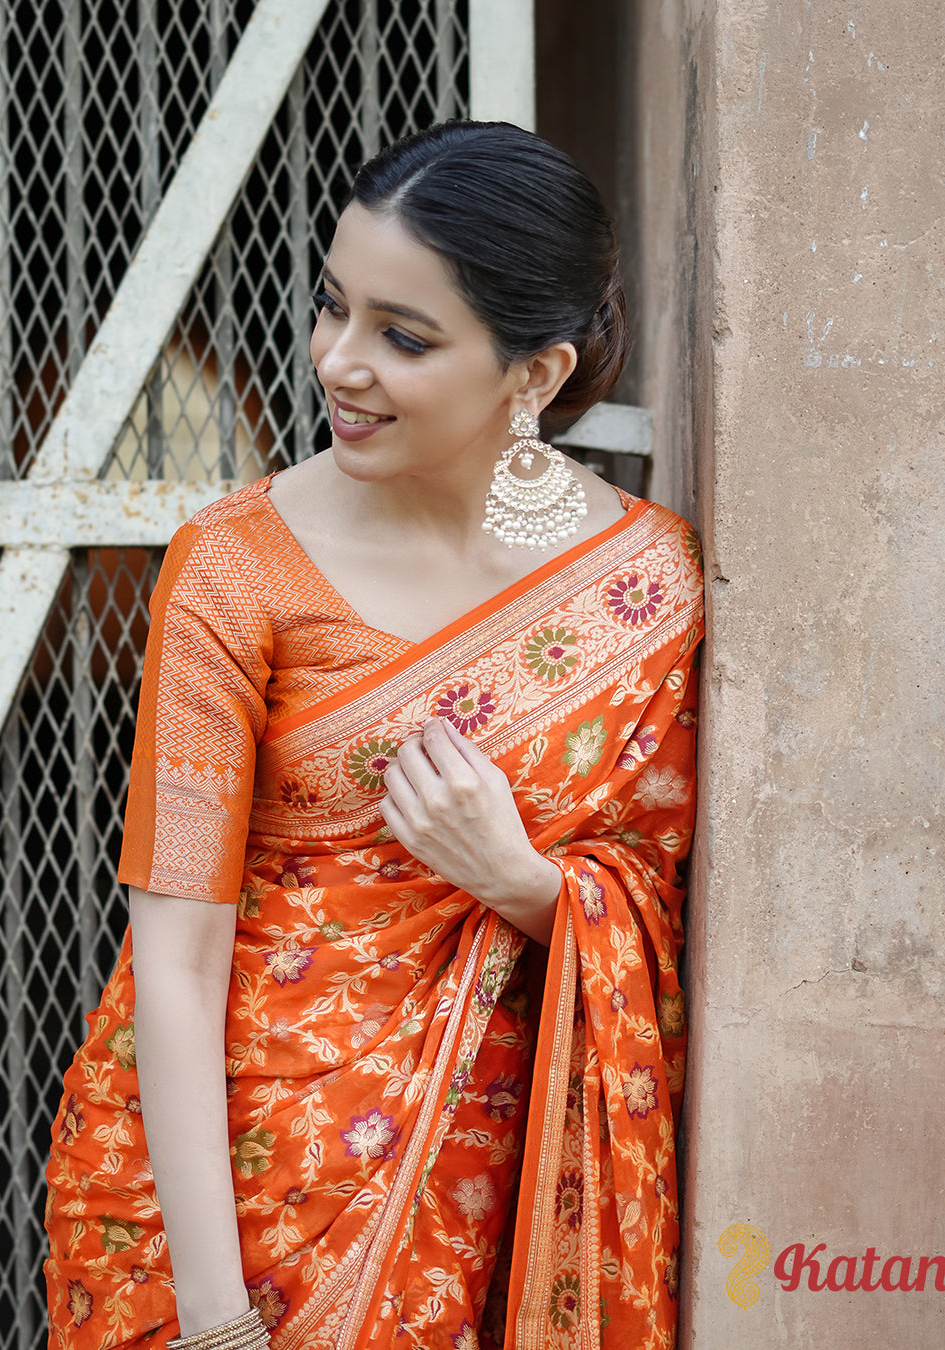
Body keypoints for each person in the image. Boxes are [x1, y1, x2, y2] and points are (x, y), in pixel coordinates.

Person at [44, 120, 703, 1350]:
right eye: (333, 307)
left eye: (402, 337)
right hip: (210, 1217)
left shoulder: (646, 593)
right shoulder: (234, 569)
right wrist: (215, 1323)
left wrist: (523, 884)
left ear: (536, 375)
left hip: (488, 1210)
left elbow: (669, 927)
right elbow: (174, 964)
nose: (338, 363)